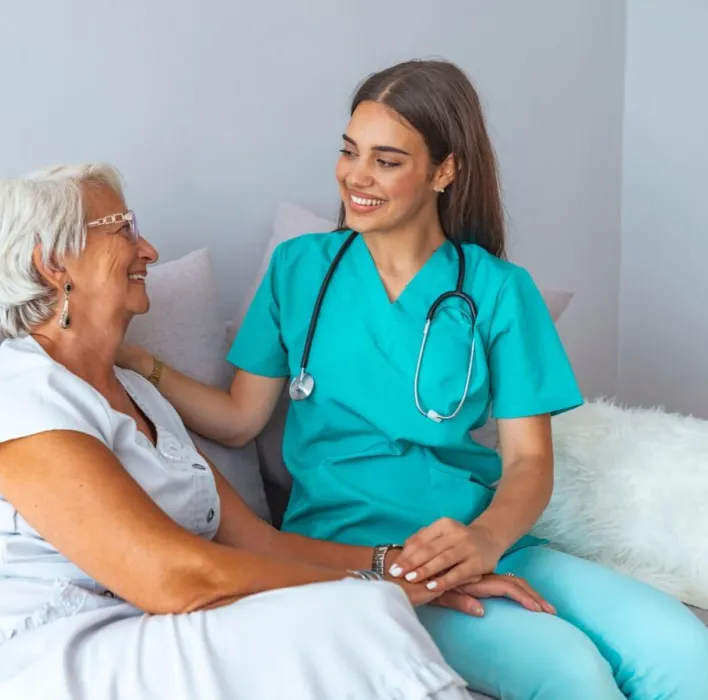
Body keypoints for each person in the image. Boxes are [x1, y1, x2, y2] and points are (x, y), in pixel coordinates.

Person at [118, 60, 708, 699]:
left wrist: (485, 539)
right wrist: (134, 361)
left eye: (387, 160)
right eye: (349, 151)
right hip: (354, 552)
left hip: (479, 535)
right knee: (569, 671)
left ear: (444, 170)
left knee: (684, 649)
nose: (355, 176)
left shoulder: (499, 290)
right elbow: (238, 418)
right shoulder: (300, 270)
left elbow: (530, 460)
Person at [0, 163, 547, 700]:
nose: (149, 249)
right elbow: (173, 580)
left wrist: (405, 569)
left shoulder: (139, 396)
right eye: (123, 228)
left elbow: (258, 541)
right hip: (13, 668)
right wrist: (380, 589)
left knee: (362, 616)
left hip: (128, 637)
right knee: (363, 616)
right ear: (55, 262)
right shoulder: (20, 402)